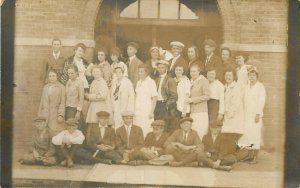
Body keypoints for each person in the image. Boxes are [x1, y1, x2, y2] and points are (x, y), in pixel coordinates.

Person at [238, 66, 266, 164]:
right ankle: (249, 155)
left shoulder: (260, 87)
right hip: (246, 115)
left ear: (257, 77)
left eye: (253, 75)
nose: (251, 77)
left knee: (255, 135)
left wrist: (258, 113)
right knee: (247, 135)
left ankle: (255, 157)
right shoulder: (246, 87)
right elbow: (242, 100)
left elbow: (261, 101)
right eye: (250, 75)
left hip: (255, 116)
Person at [220, 69, 244, 158]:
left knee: (232, 135)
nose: (228, 77)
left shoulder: (236, 87)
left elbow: (235, 103)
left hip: (234, 115)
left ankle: (233, 156)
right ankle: (230, 155)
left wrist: (230, 114)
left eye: (230, 75)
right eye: (226, 75)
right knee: (228, 135)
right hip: (227, 115)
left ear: (234, 76)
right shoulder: (225, 86)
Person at [186, 64, 210, 139]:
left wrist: (193, 100)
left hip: (201, 111)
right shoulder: (189, 81)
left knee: (200, 131)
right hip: (192, 111)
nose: (192, 73)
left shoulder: (203, 80)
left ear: (199, 72)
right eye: (191, 71)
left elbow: (207, 96)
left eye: (194, 71)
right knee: (193, 130)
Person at [154, 60, 178, 133]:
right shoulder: (156, 80)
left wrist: (167, 105)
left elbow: (174, 96)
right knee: (157, 124)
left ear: (166, 69)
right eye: (159, 68)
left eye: (162, 67)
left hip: (165, 104)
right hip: (156, 104)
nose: (160, 69)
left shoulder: (170, 80)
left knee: (164, 125)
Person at [38, 70, 65, 135]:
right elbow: (42, 102)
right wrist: (39, 113)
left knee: (55, 134)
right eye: (50, 76)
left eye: (53, 76)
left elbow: (62, 102)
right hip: (45, 114)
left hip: (55, 114)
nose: (51, 78)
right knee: (44, 134)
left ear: (57, 77)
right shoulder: (46, 87)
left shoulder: (61, 87)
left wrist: (61, 115)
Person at [134, 64, 158, 136]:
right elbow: (136, 96)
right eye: (139, 71)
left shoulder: (151, 82)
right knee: (137, 127)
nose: (140, 73)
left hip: (146, 109)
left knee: (146, 128)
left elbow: (155, 97)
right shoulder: (139, 82)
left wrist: (151, 112)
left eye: (142, 72)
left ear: (146, 72)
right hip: (138, 109)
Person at [65, 65, 86, 133]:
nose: (70, 75)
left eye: (72, 73)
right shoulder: (68, 82)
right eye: (69, 73)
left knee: (76, 129)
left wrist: (78, 112)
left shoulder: (80, 82)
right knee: (69, 129)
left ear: (76, 73)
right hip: (68, 109)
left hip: (75, 109)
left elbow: (81, 97)